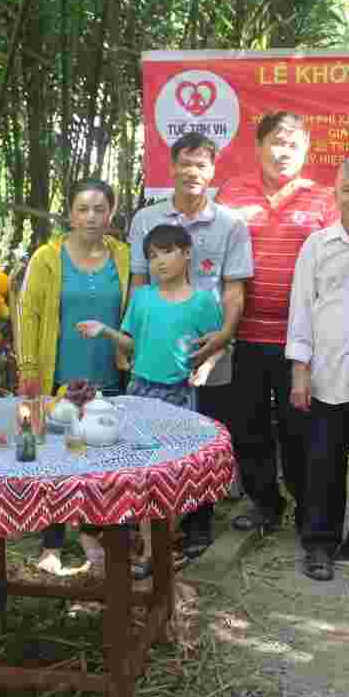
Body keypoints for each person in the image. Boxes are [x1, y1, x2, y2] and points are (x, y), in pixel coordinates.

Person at [126, 132, 253, 559]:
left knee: (200, 439)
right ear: (172, 167)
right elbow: (138, 282)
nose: (192, 171)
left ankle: (197, 526)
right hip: (157, 353)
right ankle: (149, 527)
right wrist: (132, 339)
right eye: (185, 163)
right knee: (152, 439)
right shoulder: (146, 219)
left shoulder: (231, 224)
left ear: (212, 171)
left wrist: (224, 335)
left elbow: (234, 288)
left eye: (201, 164)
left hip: (207, 347)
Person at [216, 112, 338, 534]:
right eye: (276, 142)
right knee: (248, 428)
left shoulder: (324, 199)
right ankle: (265, 503)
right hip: (243, 336)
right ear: (258, 146)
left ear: (306, 150)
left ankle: (308, 510)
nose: (283, 152)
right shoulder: (232, 194)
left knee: (299, 429)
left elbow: (336, 267)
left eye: (293, 144)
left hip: (302, 342)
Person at [81, 224, 226, 577]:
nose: (159, 261)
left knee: (173, 475)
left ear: (187, 253)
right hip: (141, 393)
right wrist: (106, 331)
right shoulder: (143, 297)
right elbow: (131, 344)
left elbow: (220, 345)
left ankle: (160, 546)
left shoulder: (204, 301)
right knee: (144, 474)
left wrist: (206, 367)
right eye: (152, 256)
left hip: (179, 396)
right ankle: (150, 551)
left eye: (167, 252)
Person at [17, 177, 131, 574]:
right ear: (70, 214)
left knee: (102, 460)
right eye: (83, 209)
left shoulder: (124, 257)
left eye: (100, 209)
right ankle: (51, 543)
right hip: (58, 377)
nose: (91, 217)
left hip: (109, 377)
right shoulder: (48, 258)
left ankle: (93, 534)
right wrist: (28, 369)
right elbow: (27, 313)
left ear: (111, 214)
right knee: (53, 460)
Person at [286, 158, 349, 581]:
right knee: (323, 463)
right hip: (326, 375)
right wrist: (300, 370)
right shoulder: (317, 245)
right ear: (336, 195)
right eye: (348, 190)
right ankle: (319, 542)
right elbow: (301, 309)